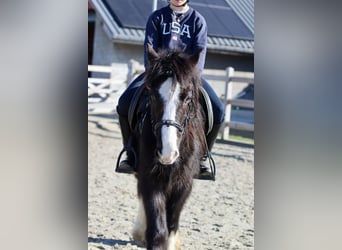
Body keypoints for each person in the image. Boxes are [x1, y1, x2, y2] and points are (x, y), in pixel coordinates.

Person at [116, 0, 224, 179]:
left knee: (218, 110)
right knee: (124, 103)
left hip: (186, 76)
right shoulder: (156, 17)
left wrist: (189, 75)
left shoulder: (198, 20)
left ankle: (203, 158)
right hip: (158, 74)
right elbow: (149, 48)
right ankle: (130, 153)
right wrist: (154, 73)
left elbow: (199, 52)